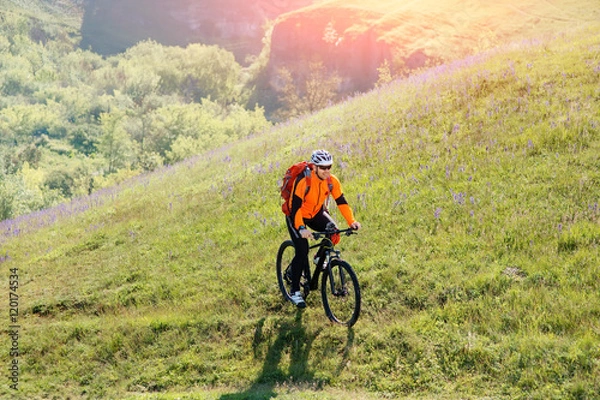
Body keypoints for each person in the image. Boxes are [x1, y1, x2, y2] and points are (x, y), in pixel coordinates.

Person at [285, 149, 361, 308]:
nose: (327, 170)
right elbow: (296, 208)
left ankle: (319, 258)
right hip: (296, 215)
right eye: (323, 167)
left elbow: (341, 202)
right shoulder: (304, 181)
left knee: (333, 233)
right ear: (315, 167)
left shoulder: (332, 181)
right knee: (302, 249)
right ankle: (294, 292)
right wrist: (300, 228)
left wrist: (352, 221)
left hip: (315, 213)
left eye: (329, 167)